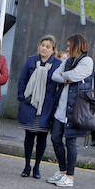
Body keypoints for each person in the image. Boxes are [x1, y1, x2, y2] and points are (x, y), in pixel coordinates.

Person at [47, 34, 93, 188]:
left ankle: (70, 176)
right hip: (61, 107)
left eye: (69, 45)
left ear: (77, 45)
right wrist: (67, 77)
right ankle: (62, 170)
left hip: (76, 108)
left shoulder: (87, 61)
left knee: (71, 141)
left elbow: (76, 75)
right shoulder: (68, 60)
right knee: (55, 138)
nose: (66, 49)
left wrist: (66, 76)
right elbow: (54, 76)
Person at [16, 35, 62, 179]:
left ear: (53, 49)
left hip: (46, 107)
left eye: (48, 46)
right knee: (29, 136)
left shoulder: (57, 64)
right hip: (30, 104)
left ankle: (37, 167)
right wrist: (22, 97)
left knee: (42, 137)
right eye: (43, 45)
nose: (44, 48)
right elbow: (22, 79)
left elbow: (59, 85)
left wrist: (55, 103)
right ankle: (27, 165)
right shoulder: (31, 60)